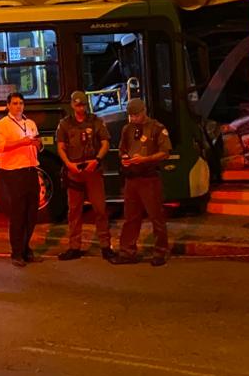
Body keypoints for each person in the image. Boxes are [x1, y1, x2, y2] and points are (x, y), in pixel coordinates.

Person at [55, 90, 113, 261]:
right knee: (74, 211)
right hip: (74, 171)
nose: (81, 108)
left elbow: (105, 143)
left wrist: (97, 159)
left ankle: (105, 246)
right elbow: (60, 147)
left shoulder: (95, 121)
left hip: (92, 169)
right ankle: (74, 246)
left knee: (100, 209)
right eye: (78, 104)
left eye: (83, 105)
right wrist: (68, 164)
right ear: (72, 105)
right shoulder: (65, 124)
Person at [113, 99, 172, 266]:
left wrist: (145, 159)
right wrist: (124, 158)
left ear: (144, 111)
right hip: (131, 178)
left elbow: (165, 152)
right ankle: (127, 252)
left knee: (156, 216)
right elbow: (122, 149)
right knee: (131, 217)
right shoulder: (127, 129)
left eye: (136, 115)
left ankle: (160, 251)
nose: (133, 118)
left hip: (149, 178)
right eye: (131, 115)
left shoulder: (156, 128)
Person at [0, 92, 42, 267]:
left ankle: (27, 248)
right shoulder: (2, 125)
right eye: (14, 103)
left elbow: (36, 143)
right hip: (12, 172)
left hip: (30, 169)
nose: (18, 106)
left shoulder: (30, 123)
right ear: (8, 106)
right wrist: (22, 142)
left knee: (32, 213)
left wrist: (37, 144)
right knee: (18, 213)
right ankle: (17, 253)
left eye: (21, 103)